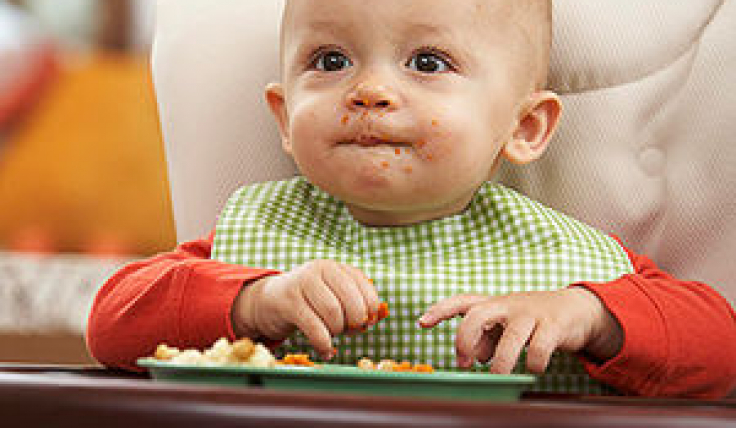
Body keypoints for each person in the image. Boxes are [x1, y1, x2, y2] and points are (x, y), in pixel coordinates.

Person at [87, 0, 736, 398]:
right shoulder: (260, 233)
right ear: (284, 118)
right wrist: (255, 300)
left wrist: (590, 316)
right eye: (331, 59)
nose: (369, 89)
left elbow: (720, 348)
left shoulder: (565, 260)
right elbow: (111, 323)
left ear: (524, 127)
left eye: (428, 63)